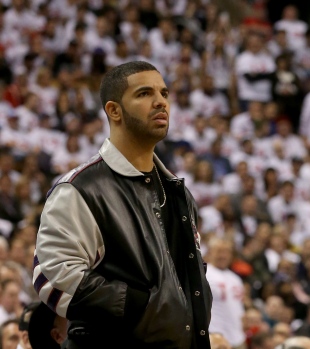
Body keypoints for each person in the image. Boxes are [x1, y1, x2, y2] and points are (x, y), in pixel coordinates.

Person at [32, 61, 212, 348]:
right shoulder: (81, 187)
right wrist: (139, 307)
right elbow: (52, 276)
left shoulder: (178, 193)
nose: (160, 102)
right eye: (144, 94)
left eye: (164, 93)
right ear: (114, 110)